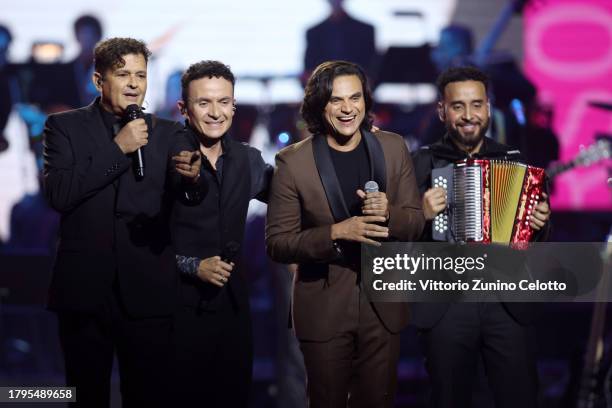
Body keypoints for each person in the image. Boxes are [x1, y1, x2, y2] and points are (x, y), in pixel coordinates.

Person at [42, 37, 202, 407]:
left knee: (148, 396)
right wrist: (119, 148)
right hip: (84, 290)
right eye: (123, 74)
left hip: (149, 288)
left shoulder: (169, 132)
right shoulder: (63, 127)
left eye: (141, 75)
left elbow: (188, 203)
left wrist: (193, 181)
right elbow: (60, 194)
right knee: (84, 395)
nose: (134, 83)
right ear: (99, 81)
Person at [266, 60, 424, 407]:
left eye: (355, 98)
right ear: (320, 104)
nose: (348, 108)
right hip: (323, 307)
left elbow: (414, 221)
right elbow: (278, 244)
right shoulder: (293, 162)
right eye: (337, 100)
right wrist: (337, 232)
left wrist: (389, 213)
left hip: (383, 306)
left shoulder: (394, 148)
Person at [411, 66, 551, 408]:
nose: (468, 115)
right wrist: (421, 214)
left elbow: (533, 241)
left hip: (507, 303)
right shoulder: (420, 163)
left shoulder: (515, 162)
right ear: (443, 111)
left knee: (520, 397)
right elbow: (395, 235)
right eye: (458, 106)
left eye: (476, 105)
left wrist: (541, 222)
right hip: (446, 304)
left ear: (488, 108)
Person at [171, 60, 271, 407]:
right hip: (172, 311)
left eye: (223, 102)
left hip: (231, 311)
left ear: (234, 105)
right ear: (184, 108)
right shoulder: (160, 158)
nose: (216, 113)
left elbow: (298, 194)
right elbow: (135, 244)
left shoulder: (247, 160)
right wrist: (191, 265)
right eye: (204, 103)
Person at [303, 0, 376, 82]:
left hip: (357, 85)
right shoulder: (314, 32)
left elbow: (373, 68)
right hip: (324, 88)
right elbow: (308, 69)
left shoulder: (365, 30)